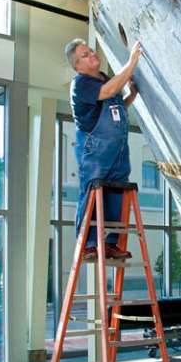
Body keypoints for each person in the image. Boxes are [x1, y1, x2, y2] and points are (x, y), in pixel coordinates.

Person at [66, 38, 141, 259]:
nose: (91, 54)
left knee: (116, 195)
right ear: (77, 66)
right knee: (92, 195)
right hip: (95, 151)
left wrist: (132, 95)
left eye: (90, 51)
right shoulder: (81, 83)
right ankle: (88, 244)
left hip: (117, 151)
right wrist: (132, 62)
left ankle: (109, 243)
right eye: (85, 55)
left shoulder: (105, 79)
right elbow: (107, 93)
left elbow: (116, 107)